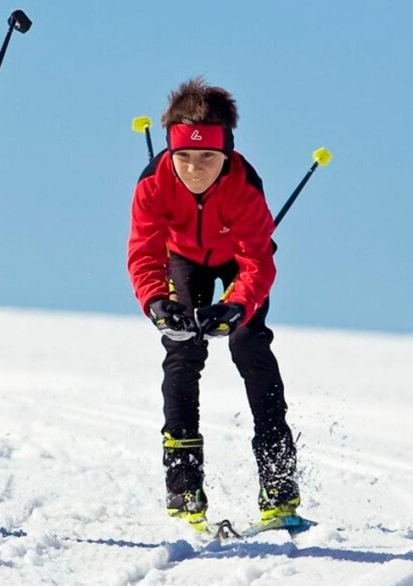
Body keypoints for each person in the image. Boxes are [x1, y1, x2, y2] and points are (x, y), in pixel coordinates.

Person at [127, 78, 299, 532]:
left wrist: (238, 305)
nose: (195, 168)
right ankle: (184, 484)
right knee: (182, 350)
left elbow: (257, 261)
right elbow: (144, 252)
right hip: (182, 260)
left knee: (250, 348)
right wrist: (156, 303)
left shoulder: (245, 185)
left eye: (208, 157)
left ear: (228, 152)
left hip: (236, 263)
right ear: (168, 151)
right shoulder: (152, 183)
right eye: (183, 156)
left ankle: (279, 483)